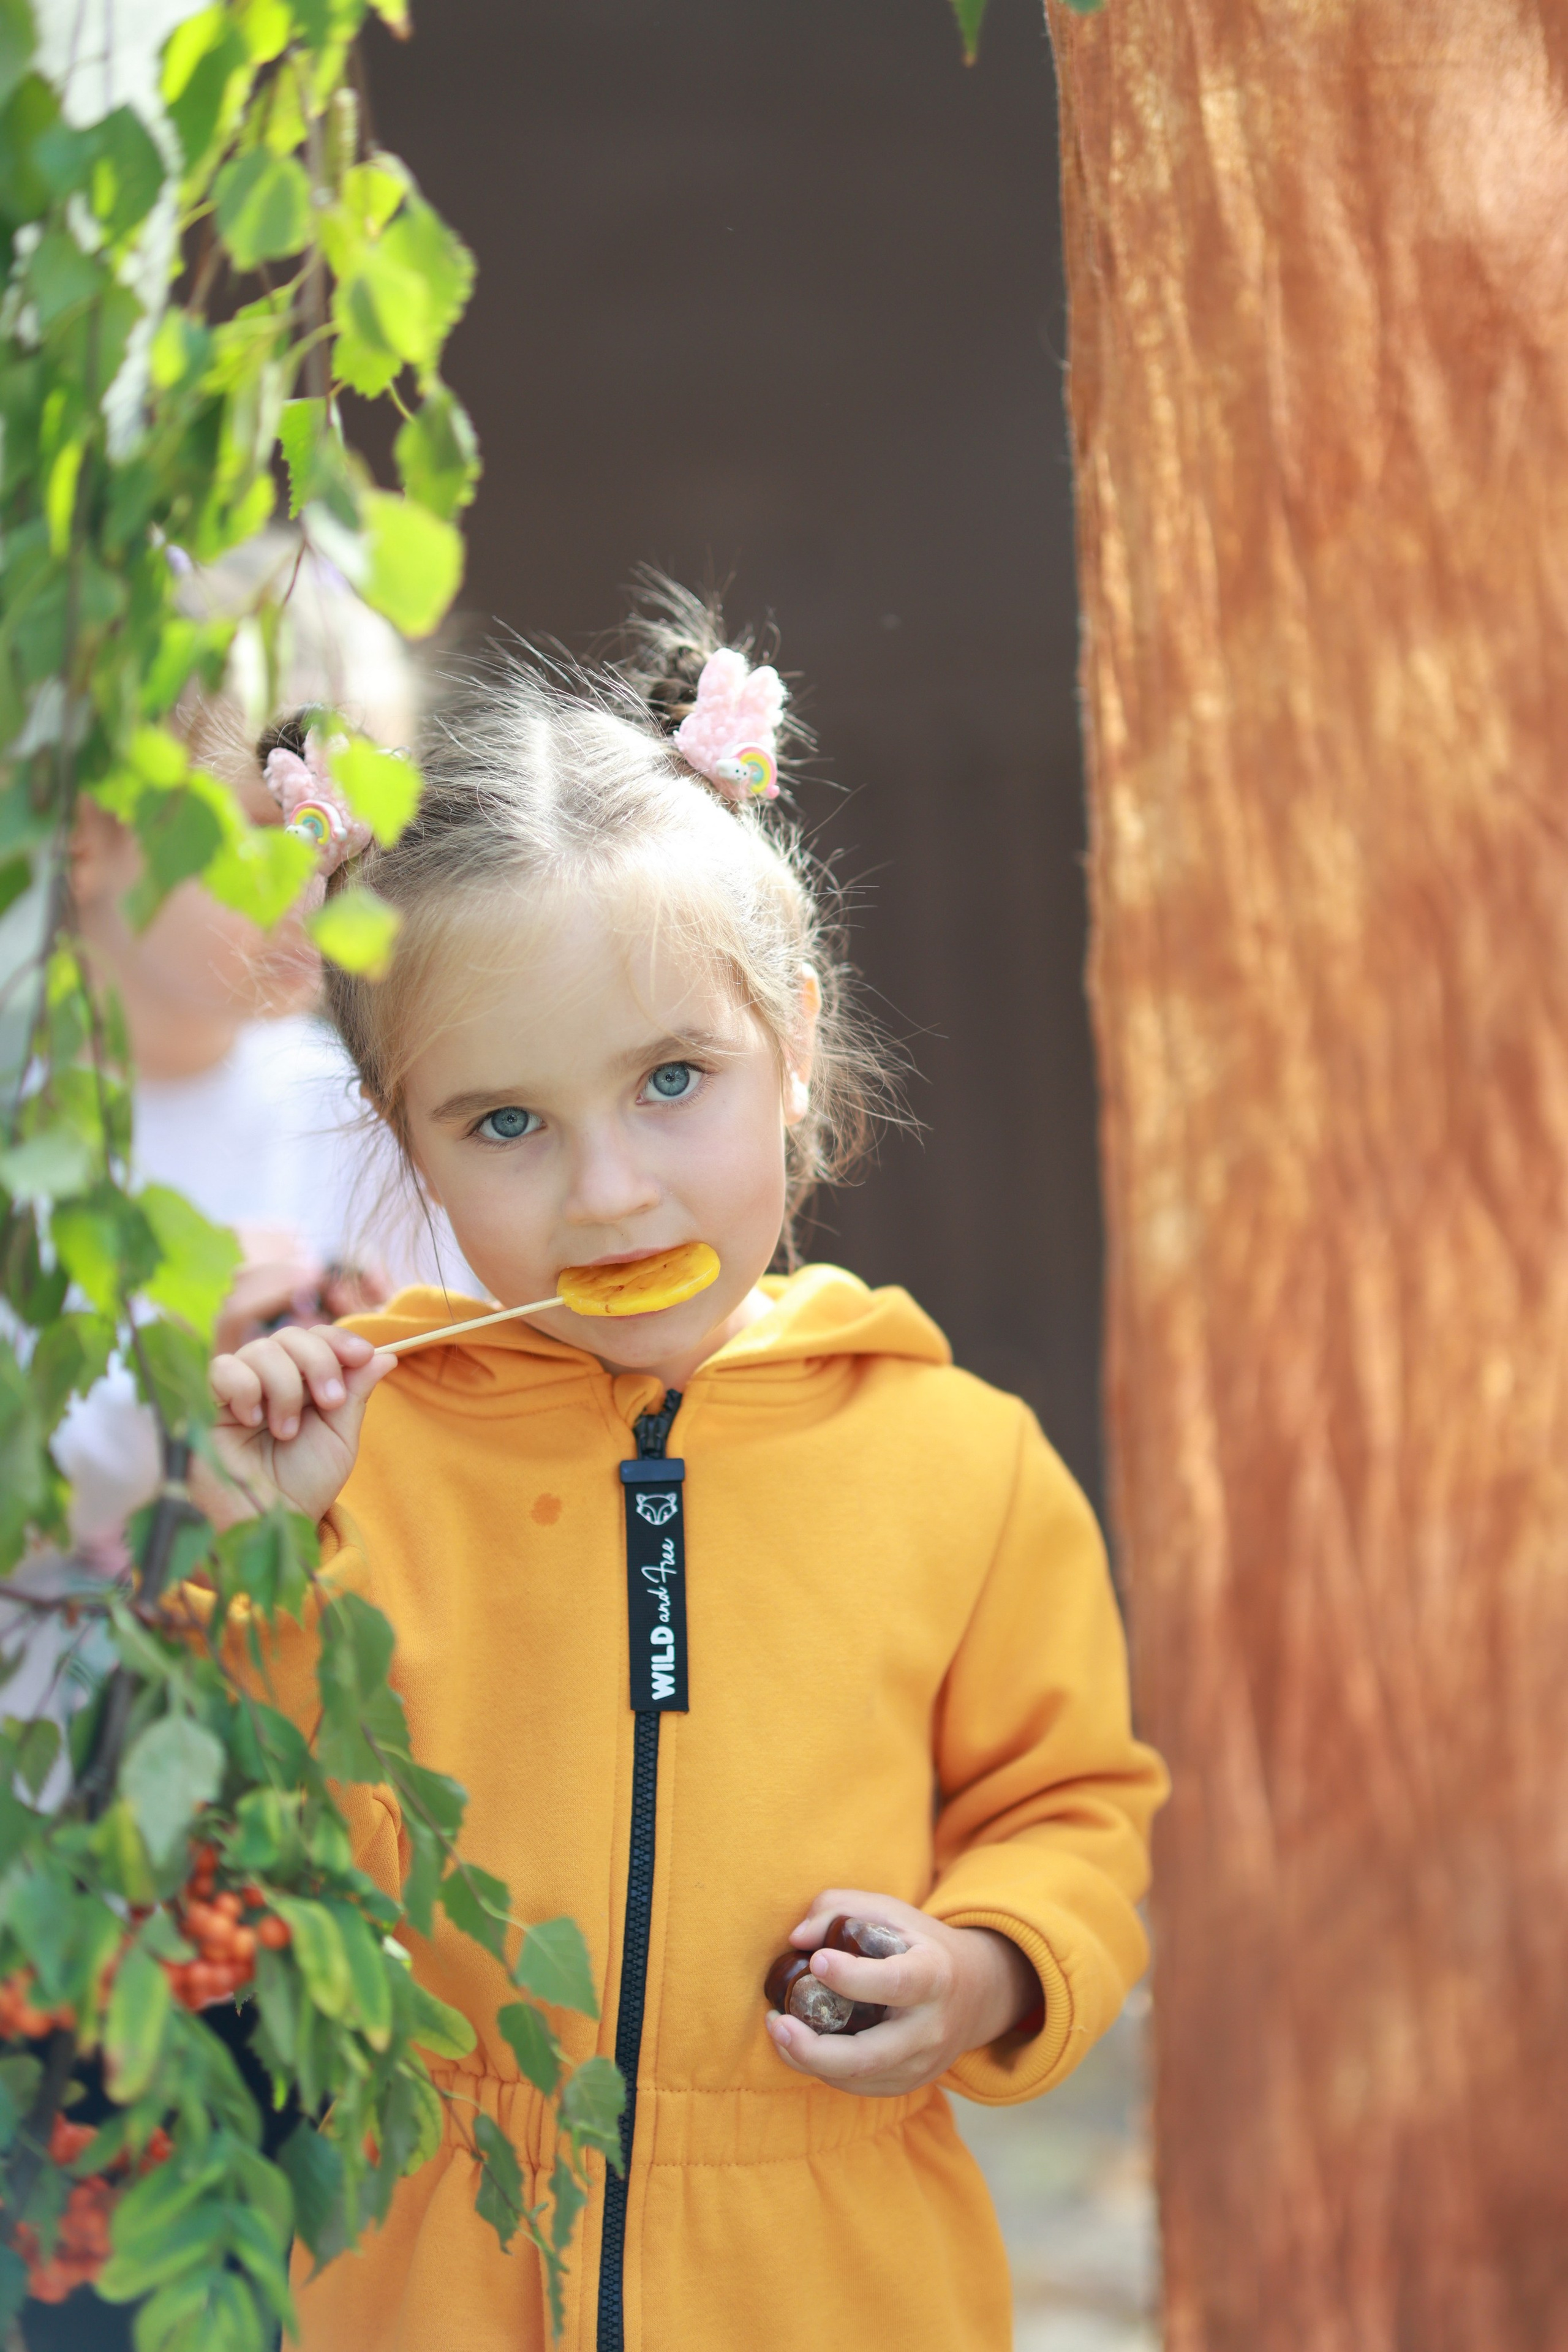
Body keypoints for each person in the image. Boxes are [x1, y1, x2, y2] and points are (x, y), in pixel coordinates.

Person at [198, 589, 1168, 2352]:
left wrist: (987, 1968)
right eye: (505, 1125)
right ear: (400, 1136)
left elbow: (1070, 1815)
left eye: (670, 1082)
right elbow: (265, 1869)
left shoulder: (965, 1466)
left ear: (793, 1041)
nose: (611, 1193)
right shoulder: (365, 1452)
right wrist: (262, 1551)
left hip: (838, 2275)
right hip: (434, 2273)